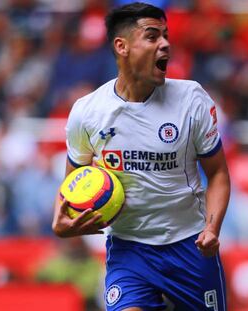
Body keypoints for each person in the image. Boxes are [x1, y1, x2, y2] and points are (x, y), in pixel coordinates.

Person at [52, 2, 230, 310]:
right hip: (129, 250)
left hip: (190, 246)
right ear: (122, 46)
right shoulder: (88, 111)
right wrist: (61, 220)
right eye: (152, 36)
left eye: (166, 35)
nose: (165, 44)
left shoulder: (192, 100)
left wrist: (212, 228)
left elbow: (217, 173)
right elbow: (73, 181)